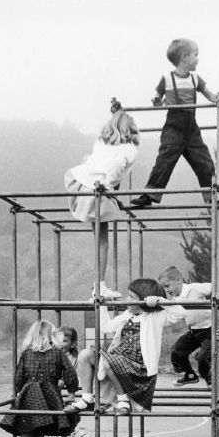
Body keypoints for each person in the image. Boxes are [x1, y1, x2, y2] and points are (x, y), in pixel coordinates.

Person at [65, 278, 186, 415]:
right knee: (85, 355)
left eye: (132, 297)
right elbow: (106, 327)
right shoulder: (128, 315)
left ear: (143, 301)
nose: (127, 299)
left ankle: (123, 400)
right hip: (117, 360)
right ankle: (87, 398)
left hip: (138, 366)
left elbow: (181, 313)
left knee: (108, 361)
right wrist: (103, 305)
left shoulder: (156, 316)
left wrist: (158, 300)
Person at [130, 38, 219, 208]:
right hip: (173, 127)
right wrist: (157, 101)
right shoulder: (166, 78)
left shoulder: (195, 79)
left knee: (204, 161)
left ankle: (213, 194)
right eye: (196, 55)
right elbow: (157, 97)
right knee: (164, 160)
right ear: (184, 57)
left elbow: (210, 95)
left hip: (191, 127)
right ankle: (150, 194)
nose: (198, 59)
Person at [0, 320, 79, 437]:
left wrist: (17, 393)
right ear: (51, 336)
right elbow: (71, 375)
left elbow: (18, 377)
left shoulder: (27, 354)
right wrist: (71, 391)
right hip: (49, 400)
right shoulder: (58, 353)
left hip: (30, 398)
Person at [65, 103, 139, 299]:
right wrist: (108, 186)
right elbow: (116, 167)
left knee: (98, 240)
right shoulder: (129, 148)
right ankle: (99, 286)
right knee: (103, 242)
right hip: (98, 189)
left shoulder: (101, 143)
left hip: (83, 186)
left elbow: (92, 161)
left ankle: (99, 284)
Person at [158, 266, 212, 386]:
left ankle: (211, 382)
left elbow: (214, 287)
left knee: (203, 359)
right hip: (194, 332)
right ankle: (190, 375)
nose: (167, 290)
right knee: (177, 351)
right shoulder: (176, 300)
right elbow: (174, 316)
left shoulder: (195, 288)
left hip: (209, 331)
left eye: (167, 286)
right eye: (164, 288)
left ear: (178, 280)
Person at [58, 325, 79, 403]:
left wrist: (61, 379)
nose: (60, 344)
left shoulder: (72, 357)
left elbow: (70, 373)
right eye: (58, 340)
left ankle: (71, 396)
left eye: (64, 341)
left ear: (72, 344)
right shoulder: (55, 354)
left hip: (64, 379)